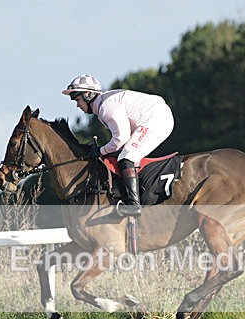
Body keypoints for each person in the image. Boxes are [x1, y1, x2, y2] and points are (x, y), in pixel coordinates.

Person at [62, 74, 174, 216]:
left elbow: (121, 139)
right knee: (122, 154)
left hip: (156, 119)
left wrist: (100, 150)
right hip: (153, 117)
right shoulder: (103, 104)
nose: (77, 105)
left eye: (77, 99)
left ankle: (133, 204)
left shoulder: (105, 107)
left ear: (88, 94)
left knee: (127, 157)